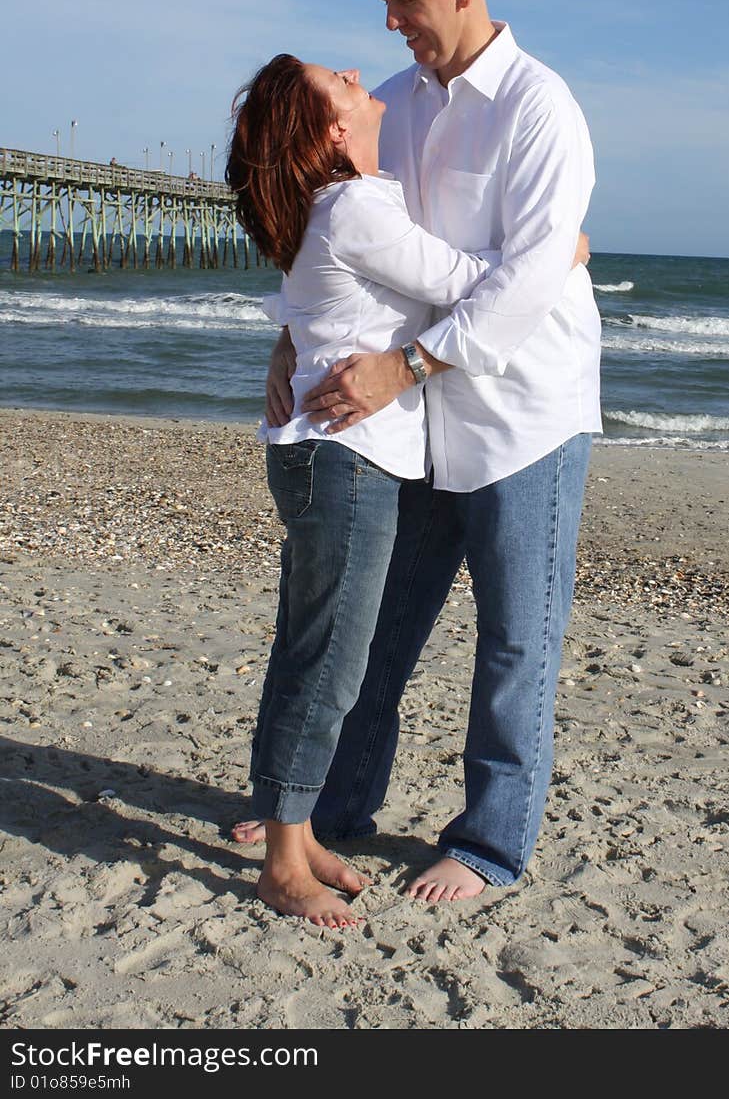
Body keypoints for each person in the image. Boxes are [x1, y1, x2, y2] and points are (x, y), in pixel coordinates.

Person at [252, 0, 602, 902]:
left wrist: (403, 368)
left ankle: (489, 843)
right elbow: (344, 240)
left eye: (403, 2)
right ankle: (330, 808)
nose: (390, 25)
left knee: (514, 636)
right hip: (407, 424)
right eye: (382, 5)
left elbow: (526, 283)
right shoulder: (395, 102)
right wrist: (292, 336)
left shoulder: (541, 106)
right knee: (379, 627)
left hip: (522, 410)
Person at [225, 52, 507, 926]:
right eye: (340, 82)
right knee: (330, 660)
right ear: (336, 134)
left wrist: (287, 349)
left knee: (311, 645)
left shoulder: (340, 205)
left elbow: (310, 308)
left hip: (326, 455)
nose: (357, 71)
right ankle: (283, 862)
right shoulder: (352, 206)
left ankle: (297, 830)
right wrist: (557, 252)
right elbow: (469, 287)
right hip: (342, 460)